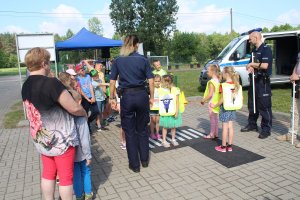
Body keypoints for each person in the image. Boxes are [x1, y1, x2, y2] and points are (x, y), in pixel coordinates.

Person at [21, 47, 87, 200]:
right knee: (65, 178)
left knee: (48, 173)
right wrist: (83, 112)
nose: (49, 65)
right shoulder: (51, 84)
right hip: (61, 139)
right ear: (43, 63)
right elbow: (73, 107)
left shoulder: (26, 85)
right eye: (49, 62)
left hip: (42, 139)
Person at [109, 35, 154, 173]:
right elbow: (151, 81)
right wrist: (151, 97)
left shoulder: (118, 60)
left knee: (129, 131)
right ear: (136, 45)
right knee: (142, 129)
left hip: (127, 96)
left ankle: (134, 165)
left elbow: (112, 81)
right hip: (141, 96)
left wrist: (111, 98)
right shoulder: (143, 59)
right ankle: (145, 160)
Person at [58, 72, 93, 200]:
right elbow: (85, 139)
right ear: (79, 102)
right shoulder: (81, 119)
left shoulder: (66, 117)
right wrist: (88, 155)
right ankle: (88, 193)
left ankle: (78, 195)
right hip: (82, 153)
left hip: (71, 153)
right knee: (86, 171)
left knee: (76, 174)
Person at [240, 30, 273, 139]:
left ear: (256, 37)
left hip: (262, 82)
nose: (249, 41)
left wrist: (252, 64)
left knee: (264, 105)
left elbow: (264, 66)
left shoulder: (266, 49)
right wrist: (249, 67)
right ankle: (252, 124)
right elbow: (250, 65)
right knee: (252, 104)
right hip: (253, 81)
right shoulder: (254, 51)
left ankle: (266, 129)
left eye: (250, 39)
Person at [211, 66, 240, 152]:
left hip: (225, 108)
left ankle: (223, 147)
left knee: (224, 127)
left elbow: (222, 99)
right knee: (230, 127)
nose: (222, 74)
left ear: (226, 74)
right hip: (233, 107)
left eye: (222, 73)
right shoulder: (235, 84)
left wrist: (215, 105)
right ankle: (230, 146)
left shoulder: (223, 85)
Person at [276, 52, 300, 148]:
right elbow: (298, 64)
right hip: (297, 85)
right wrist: (293, 74)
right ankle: (291, 134)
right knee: (294, 112)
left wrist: (298, 76)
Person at [159, 74, 182, 148]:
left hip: (173, 111)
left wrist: (176, 112)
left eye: (162, 81)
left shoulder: (175, 89)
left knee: (173, 126)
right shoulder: (161, 89)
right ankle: (164, 141)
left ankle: (173, 139)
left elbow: (177, 102)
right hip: (165, 112)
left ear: (167, 82)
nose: (160, 83)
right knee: (165, 126)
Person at [76, 64, 99, 134]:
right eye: (81, 69)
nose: (83, 70)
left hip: (91, 96)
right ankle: (88, 128)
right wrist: (87, 99)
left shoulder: (88, 76)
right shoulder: (77, 79)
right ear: (78, 71)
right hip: (84, 98)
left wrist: (93, 96)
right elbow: (80, 90)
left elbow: (90, 86)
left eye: (84, 68)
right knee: (85, 113)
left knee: (96, 111)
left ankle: (88, 121)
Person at [200, 64, 221, 139]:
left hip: (212, 103)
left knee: (212, 120)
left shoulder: (211, 82)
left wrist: (203, 100)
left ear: (212, 71)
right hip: (217, 103)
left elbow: (210, 94)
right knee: (216, 119)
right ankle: (216, 134)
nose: (207, 72)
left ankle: (212, 134)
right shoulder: (218, 80)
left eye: (208, 71)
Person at [150, 75, 162, 140]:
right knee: (153, 120)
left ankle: (157, 133)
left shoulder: (161, 88)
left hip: (159, 107)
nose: (157, 82)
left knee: (157, 121)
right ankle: (152, 133)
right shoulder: (151, 88)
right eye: (156, 81)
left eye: (159, 81)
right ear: (153, 81)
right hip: (153, 107)